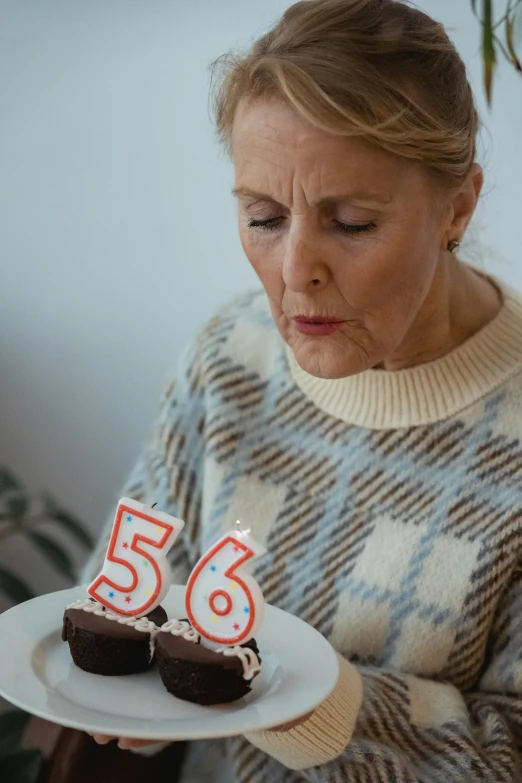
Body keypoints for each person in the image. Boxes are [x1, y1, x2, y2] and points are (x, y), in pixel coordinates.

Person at [82, 0, 522, 780]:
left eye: (350, 222)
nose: (294, 273)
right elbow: (130, 591)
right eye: (264, 217)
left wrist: (309, 700)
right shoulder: (230, 356)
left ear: (458, 206)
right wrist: (129, 695)